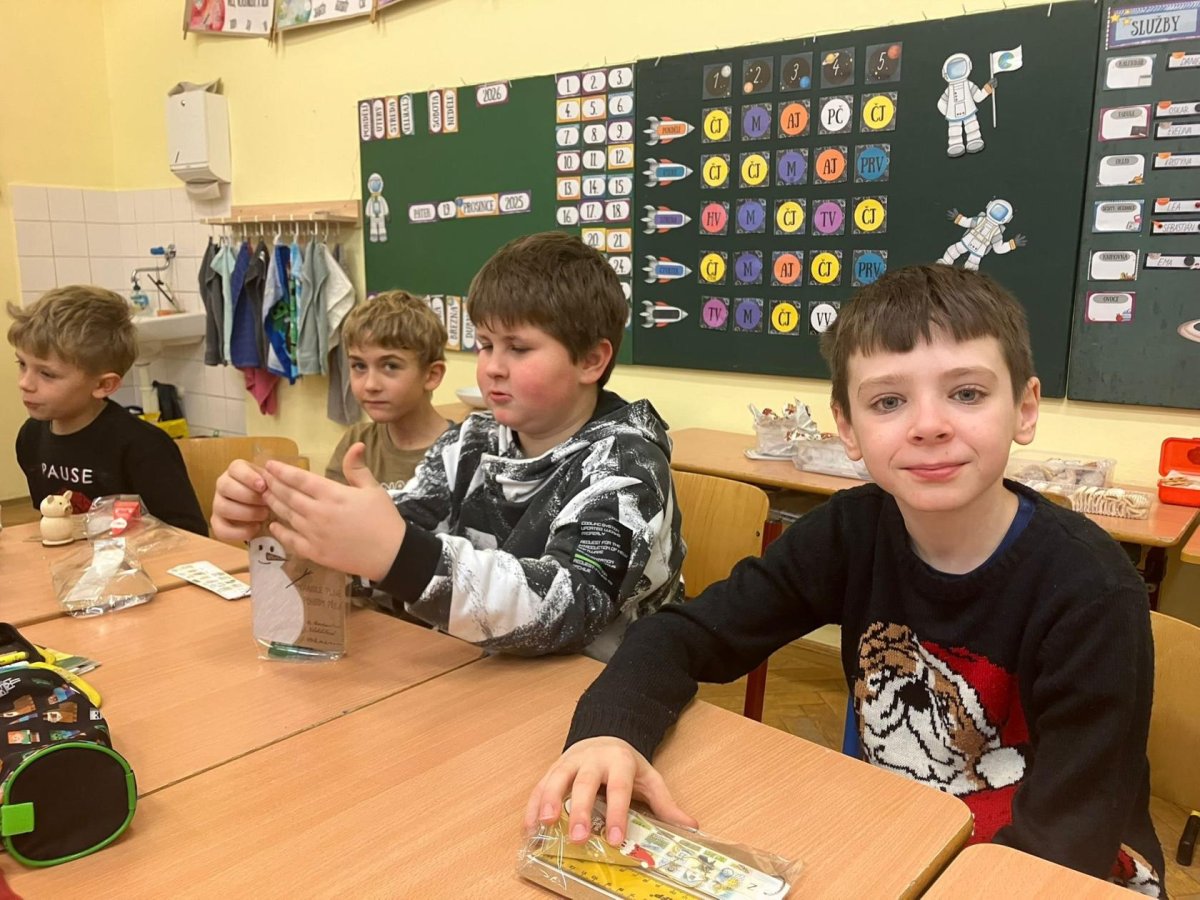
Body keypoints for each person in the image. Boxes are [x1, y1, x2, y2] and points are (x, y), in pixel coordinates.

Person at [525, 265, 1164, 895]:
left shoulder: (1091, 591)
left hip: (1066, 870)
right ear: (849, 429)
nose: (929, 424)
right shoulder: (851, 531)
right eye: (889, 401)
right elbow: (686, 635)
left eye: (967, 393)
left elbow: (1068, 845)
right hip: (901, 837)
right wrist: (609, 730)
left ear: (1024, 409)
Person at [211, 232, 684, 659]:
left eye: (518, 348)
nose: (492, 367)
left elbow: (570, 606)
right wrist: (278, 518)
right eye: (485, 344)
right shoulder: (471, 441)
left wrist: (398, 556)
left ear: (591, 360)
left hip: (594, 695)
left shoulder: (625, 465)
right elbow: (393, 528)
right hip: (480, 675)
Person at [9, 286, 207, 535]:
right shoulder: (30, 438)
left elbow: (190, 535)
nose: (25, 383)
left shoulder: (144, 447)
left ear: (103, 385)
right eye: (22, 364)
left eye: (47, 374)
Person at [324, 290, 451, 492]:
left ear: (431, 375)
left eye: (390, 366)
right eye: (359, 366)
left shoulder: (462, 452)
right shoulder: (357, 443)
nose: (370, 385)